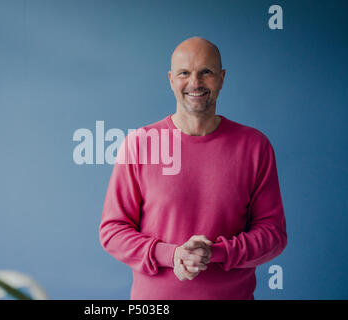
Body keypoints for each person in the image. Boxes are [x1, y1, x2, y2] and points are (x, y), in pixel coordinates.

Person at [99, 37, 287, 300]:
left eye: (206, 72)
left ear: (222, 78)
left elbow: (273, 234)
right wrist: (172, 254)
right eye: (184, 73)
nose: (195, 83)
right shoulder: (139, 144)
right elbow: (112, 230)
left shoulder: (255, 146)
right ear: (171, 80)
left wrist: (216, 252)